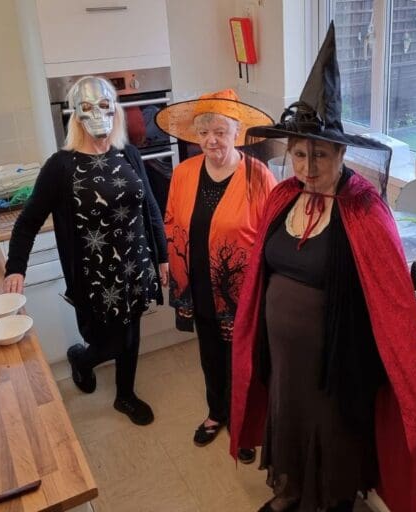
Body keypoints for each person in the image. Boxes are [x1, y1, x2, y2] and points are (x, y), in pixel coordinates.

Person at [229, 23, 416, 512]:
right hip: (285, 360)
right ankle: (290, 492)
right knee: (290, 420)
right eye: (299, 154)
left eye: (319, 155)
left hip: (334, 367)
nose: (307, 167)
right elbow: (263, 271)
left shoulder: (364, 209)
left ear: (342, 152)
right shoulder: (284, 197)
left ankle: (325, 503)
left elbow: (390, 303)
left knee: (329, 435)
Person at [4, 76, 168, 426]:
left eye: (105, 106)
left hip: (136, 265)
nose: (99, 115)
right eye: (89, 107)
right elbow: (28, 220)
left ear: (116, 110)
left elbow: (149, 208)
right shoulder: (60, 167)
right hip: (95, 276)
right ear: (75, 115)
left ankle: (125, 395)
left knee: (132, 332)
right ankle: (82, 358)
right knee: (108, 341)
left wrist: (163, 256)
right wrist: (15, 266)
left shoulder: (129, 154)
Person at [155, 89, 277, 463]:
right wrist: (170, 264)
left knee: (243, 360)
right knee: (210, 353)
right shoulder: (184, 173)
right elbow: (172, 221)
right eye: (205, 131)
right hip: (199, 285)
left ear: (237, 133)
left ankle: (244, 425)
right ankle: (217, 411)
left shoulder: (259, 177)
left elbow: (272, 238)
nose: (211, 140)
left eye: (221, 131)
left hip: (241, 290)